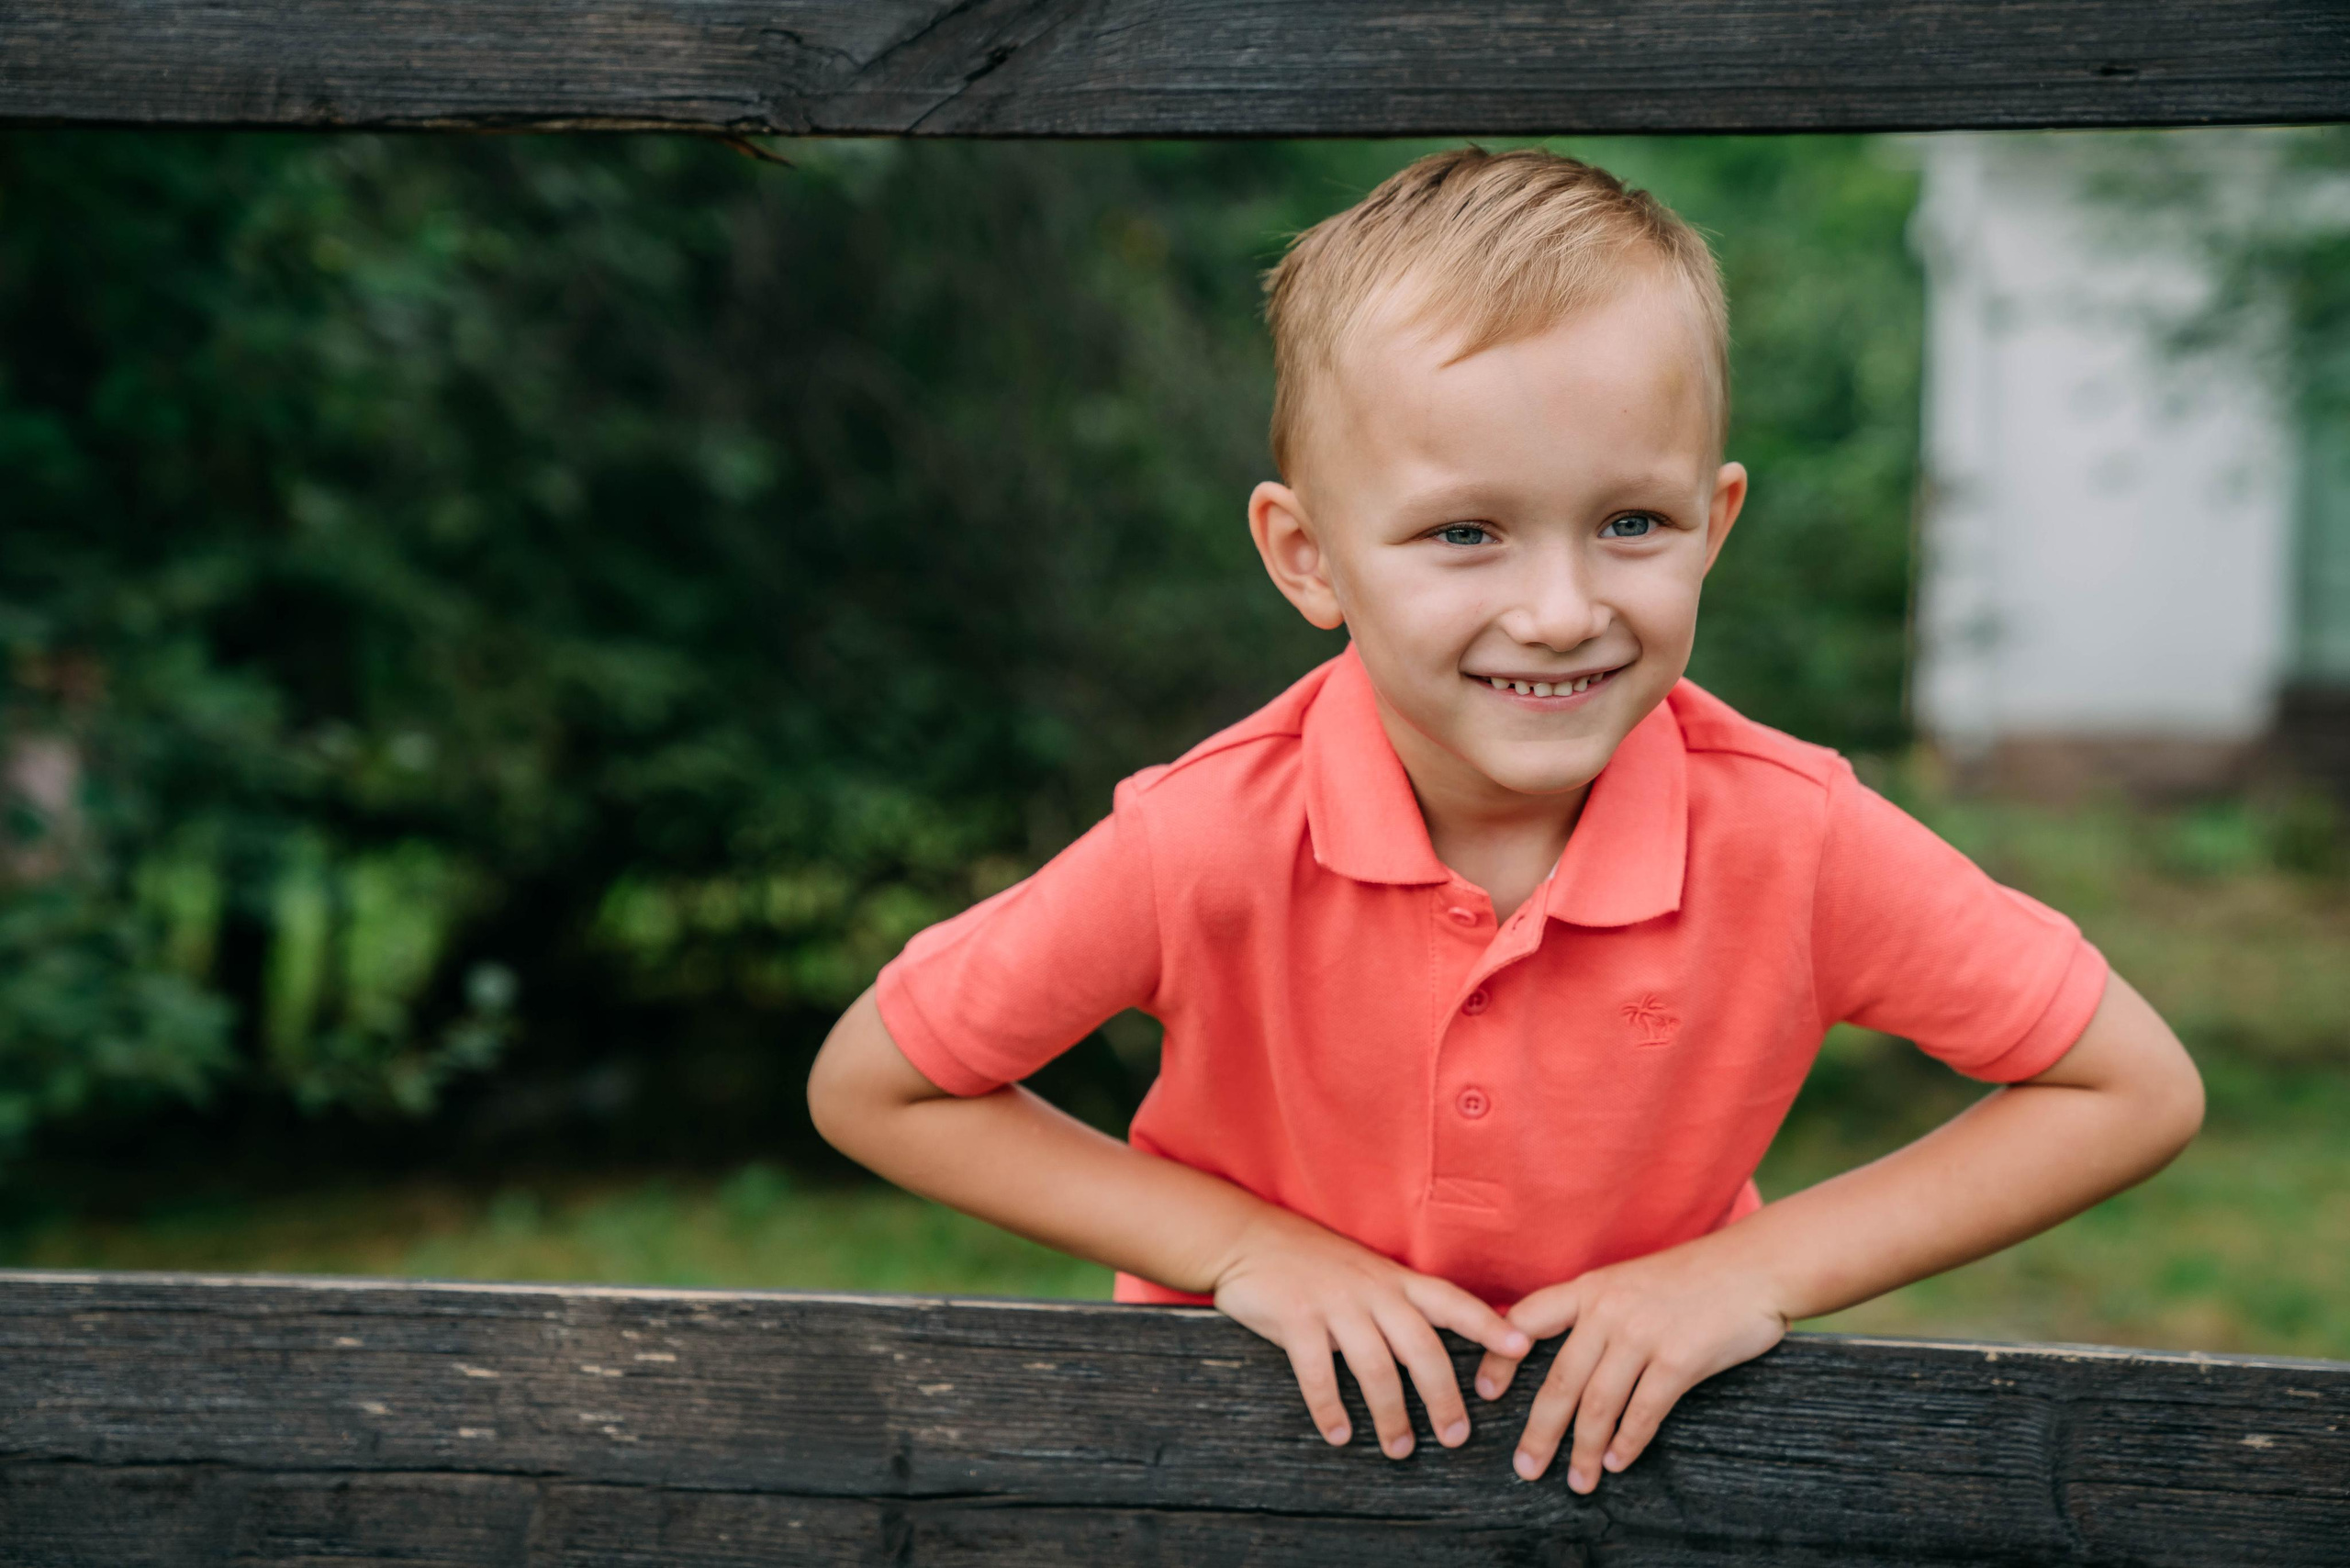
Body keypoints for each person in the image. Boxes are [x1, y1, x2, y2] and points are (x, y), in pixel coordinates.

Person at [805, 147, 2205, 1492]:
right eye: (1466, 533)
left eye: (1633, 525)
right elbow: (880, 1081)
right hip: (1235, 1475)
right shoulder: (1210, 835)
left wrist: (1749, 1273)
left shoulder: (1795, 835)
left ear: (1714, 524)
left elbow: (2132, 1087)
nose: (1560, 608)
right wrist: (1240, 1249)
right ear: (1311, 557)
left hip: (1649, 1479)